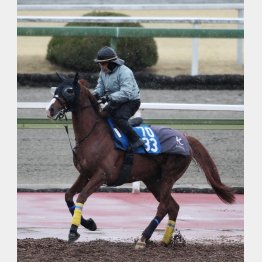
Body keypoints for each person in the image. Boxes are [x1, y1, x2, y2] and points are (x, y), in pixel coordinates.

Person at [92, 46, 145, 150]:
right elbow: (100, 87)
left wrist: (108, 97)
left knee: (119, 117)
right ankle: (127, 124)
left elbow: (126, 93)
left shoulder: (125, 72)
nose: (100, 66)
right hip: (116, 100)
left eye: (102, 63)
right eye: (99, 63)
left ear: (112, 62)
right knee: (103, 115)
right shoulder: (103, 72)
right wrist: (95, 95)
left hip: (131, 101)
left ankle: (136, 140)